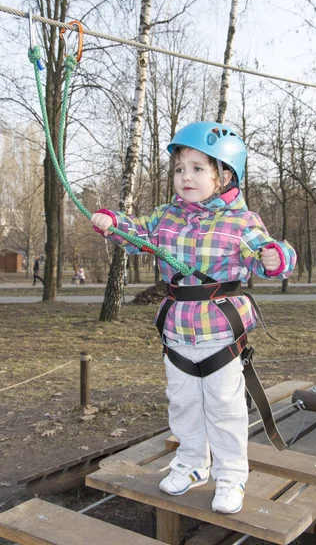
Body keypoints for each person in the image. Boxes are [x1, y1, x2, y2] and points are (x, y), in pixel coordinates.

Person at [91, 121, 296, 514]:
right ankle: (191, 464)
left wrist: (275, 257)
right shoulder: (167, 216)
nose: (185, 177)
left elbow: (270, 253)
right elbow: (140, 233)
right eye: (180, 168)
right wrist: (114, 224)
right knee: (183, 403)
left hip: (220, 331)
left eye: (198, 169)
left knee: (224, 405)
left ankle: (231, 474)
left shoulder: (241, 221)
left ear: (224, 175)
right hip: (177, 331)